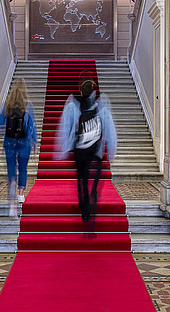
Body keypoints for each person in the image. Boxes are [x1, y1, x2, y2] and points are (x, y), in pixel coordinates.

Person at [56, 79, 117, 232]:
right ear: (94, 91)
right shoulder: (101, 107)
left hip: (80, 150)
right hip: (96, 152)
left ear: (81, 91)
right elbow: (109, 129)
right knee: (94, 182)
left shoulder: (73, 106)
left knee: (81, 179)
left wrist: (64, 149)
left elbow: (66, 128)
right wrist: (110, 151)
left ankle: (84, 209)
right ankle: (92, 203)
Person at [0, 77, 37, 216]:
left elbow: (0, 122)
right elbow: (32, 126)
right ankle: (21, 194)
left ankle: (12, 185)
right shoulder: (28, 105)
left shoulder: (7, 105)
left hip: (9, 142)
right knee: (23, 168)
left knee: (11, 168)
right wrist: (35, 142)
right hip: (24, 142)